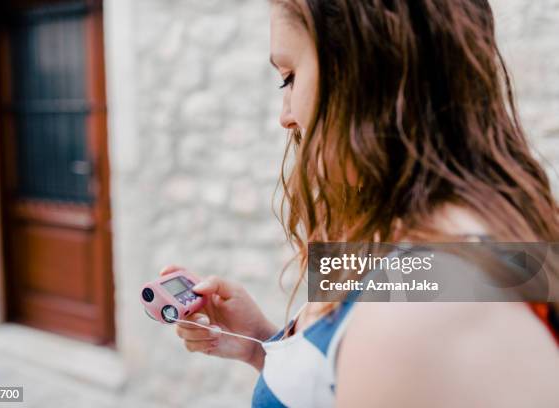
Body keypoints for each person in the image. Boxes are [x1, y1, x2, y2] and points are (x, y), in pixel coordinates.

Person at [161, 0, 559, 406]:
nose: (286, 116)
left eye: (289, 78)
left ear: (371, 72)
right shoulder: (469, 242)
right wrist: (261, 344)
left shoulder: (413, 319)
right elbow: (332, 379)